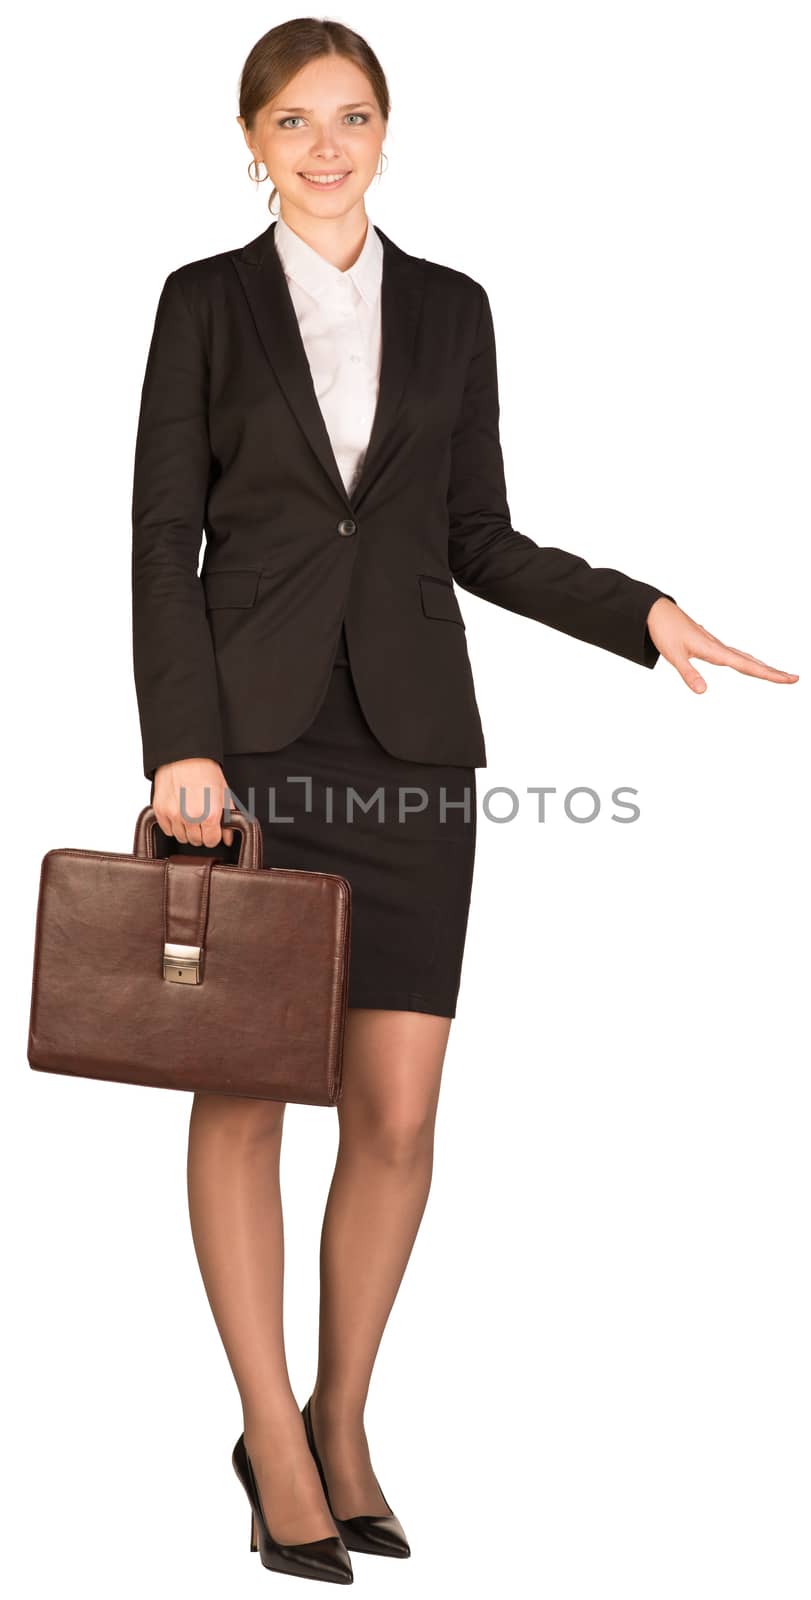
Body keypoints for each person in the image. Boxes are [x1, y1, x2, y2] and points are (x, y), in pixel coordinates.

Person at [130, 17, 798, 1585]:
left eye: (351, 116)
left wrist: (641, 612)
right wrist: (184, 741)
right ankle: (273, 1447)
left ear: (387, 130)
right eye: (293, 121)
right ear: (249, 138)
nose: (325, 146)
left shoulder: (451, 311)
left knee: (400, 1113)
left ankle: (339, 1418)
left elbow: (473, 532)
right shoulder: (204, 306)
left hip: (418, 756)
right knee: (245, 1095)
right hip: (250, 750)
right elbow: (165, 533)